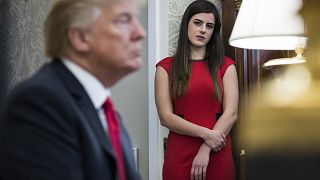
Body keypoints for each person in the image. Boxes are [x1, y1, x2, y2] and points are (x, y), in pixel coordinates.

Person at [0, 0, 145, 179]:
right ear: (80, 37)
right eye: (124, 20)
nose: (140, 33)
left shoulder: (106, 111)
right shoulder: (40, 103)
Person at [155, 0, 239, 179]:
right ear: (187, 24)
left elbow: (231, 114)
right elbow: (166, 117)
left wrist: (206, 147)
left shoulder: (226, 65)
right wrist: (206, 134)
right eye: (198, 23)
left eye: (209, 26)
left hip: (218, 149)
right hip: (180, 154)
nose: (203, 30)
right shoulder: (165, 67)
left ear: (213, 33)